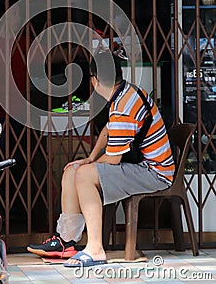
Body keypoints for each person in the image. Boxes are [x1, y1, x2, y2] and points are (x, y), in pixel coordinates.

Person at [27, 50, 175, 267]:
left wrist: (88, 166)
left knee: (84, 175)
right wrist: (89, 158)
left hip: (155, 172)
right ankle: (66, 241)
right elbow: (108, 130)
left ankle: (95, 249)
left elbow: (114, 160)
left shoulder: (124, 106)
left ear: (94, 80)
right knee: (72, 170)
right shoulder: (124, 93)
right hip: (142, 166)